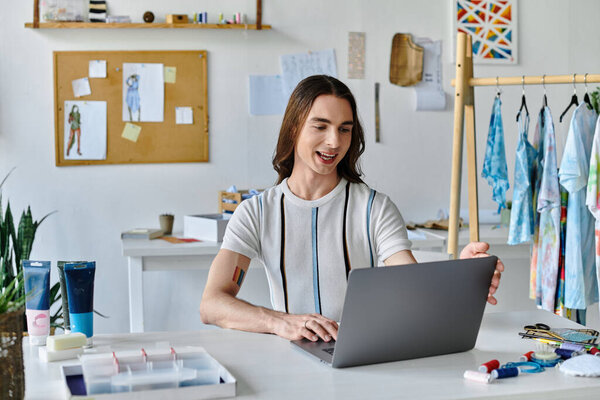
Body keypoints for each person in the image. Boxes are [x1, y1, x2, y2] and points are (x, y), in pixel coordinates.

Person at [200, 75, 504, 343]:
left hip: (361, 355)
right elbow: (212, 304)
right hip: (291, 357)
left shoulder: (375, 208)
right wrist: (280, 322)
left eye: (344, 129)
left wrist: (463, 276)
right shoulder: (256, 212)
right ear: (293, 128)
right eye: (320, 126)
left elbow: (415, 289)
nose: (334, 142)